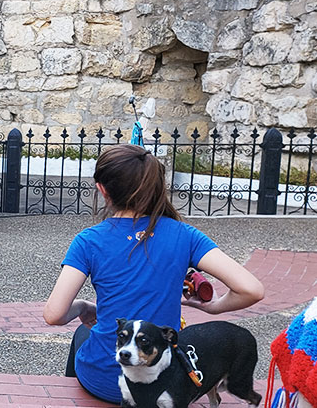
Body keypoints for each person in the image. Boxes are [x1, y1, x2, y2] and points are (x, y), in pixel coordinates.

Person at [42, 144, 264, 404]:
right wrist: (213, 308)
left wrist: (82, 307)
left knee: (83, 336)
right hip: (163, 387)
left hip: (107, 383)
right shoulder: (185, 235)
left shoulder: (88, 241)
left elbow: (54, 314)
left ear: (102, 189)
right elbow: (252, 289)